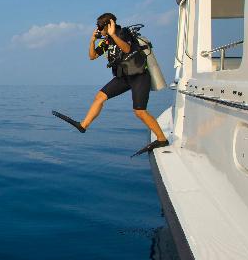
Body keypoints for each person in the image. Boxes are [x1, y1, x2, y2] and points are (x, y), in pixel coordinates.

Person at [53, 12, 168, 154]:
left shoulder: (123, 33)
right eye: (97, 26)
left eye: (100, 26)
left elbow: (127, 49)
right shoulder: (107, 41)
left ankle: (162, 139)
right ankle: (83, 125)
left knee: (139, 112)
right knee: (99, 97)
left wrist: (113, 34)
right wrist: (92, 41)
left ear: (109, 24)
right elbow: (92, 56)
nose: (98, 29)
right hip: (123, 78)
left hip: (139, 76)